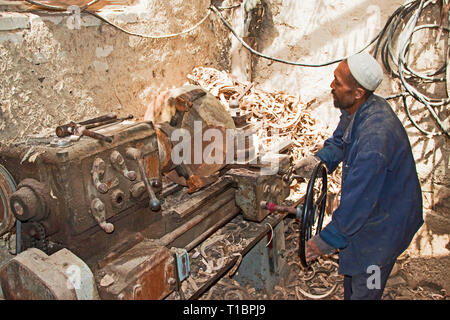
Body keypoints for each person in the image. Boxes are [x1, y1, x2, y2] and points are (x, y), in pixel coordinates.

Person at [294, 52, 423, 300]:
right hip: (375, 213)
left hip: (386, 227)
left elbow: (357, 206)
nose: (331, 86)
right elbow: (341, 141)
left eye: (338, 83)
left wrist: (320, 243)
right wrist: (319, 160)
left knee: (369, 283)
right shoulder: (360, 109)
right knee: (354, 277)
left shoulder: (373, 142)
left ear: (358, 92)